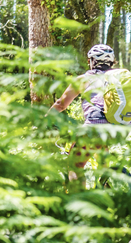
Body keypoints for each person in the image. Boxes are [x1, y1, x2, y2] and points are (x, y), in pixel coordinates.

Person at [49, 44, 120, 173]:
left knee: (74, 166)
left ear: (92, 61)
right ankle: (107, 188)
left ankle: (79, 192)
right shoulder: (119, 79)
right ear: (111, 62)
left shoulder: (84, 79)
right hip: (117, 128)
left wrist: (45, 119)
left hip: (94, 127)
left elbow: (61, 104)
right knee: (103, 166)